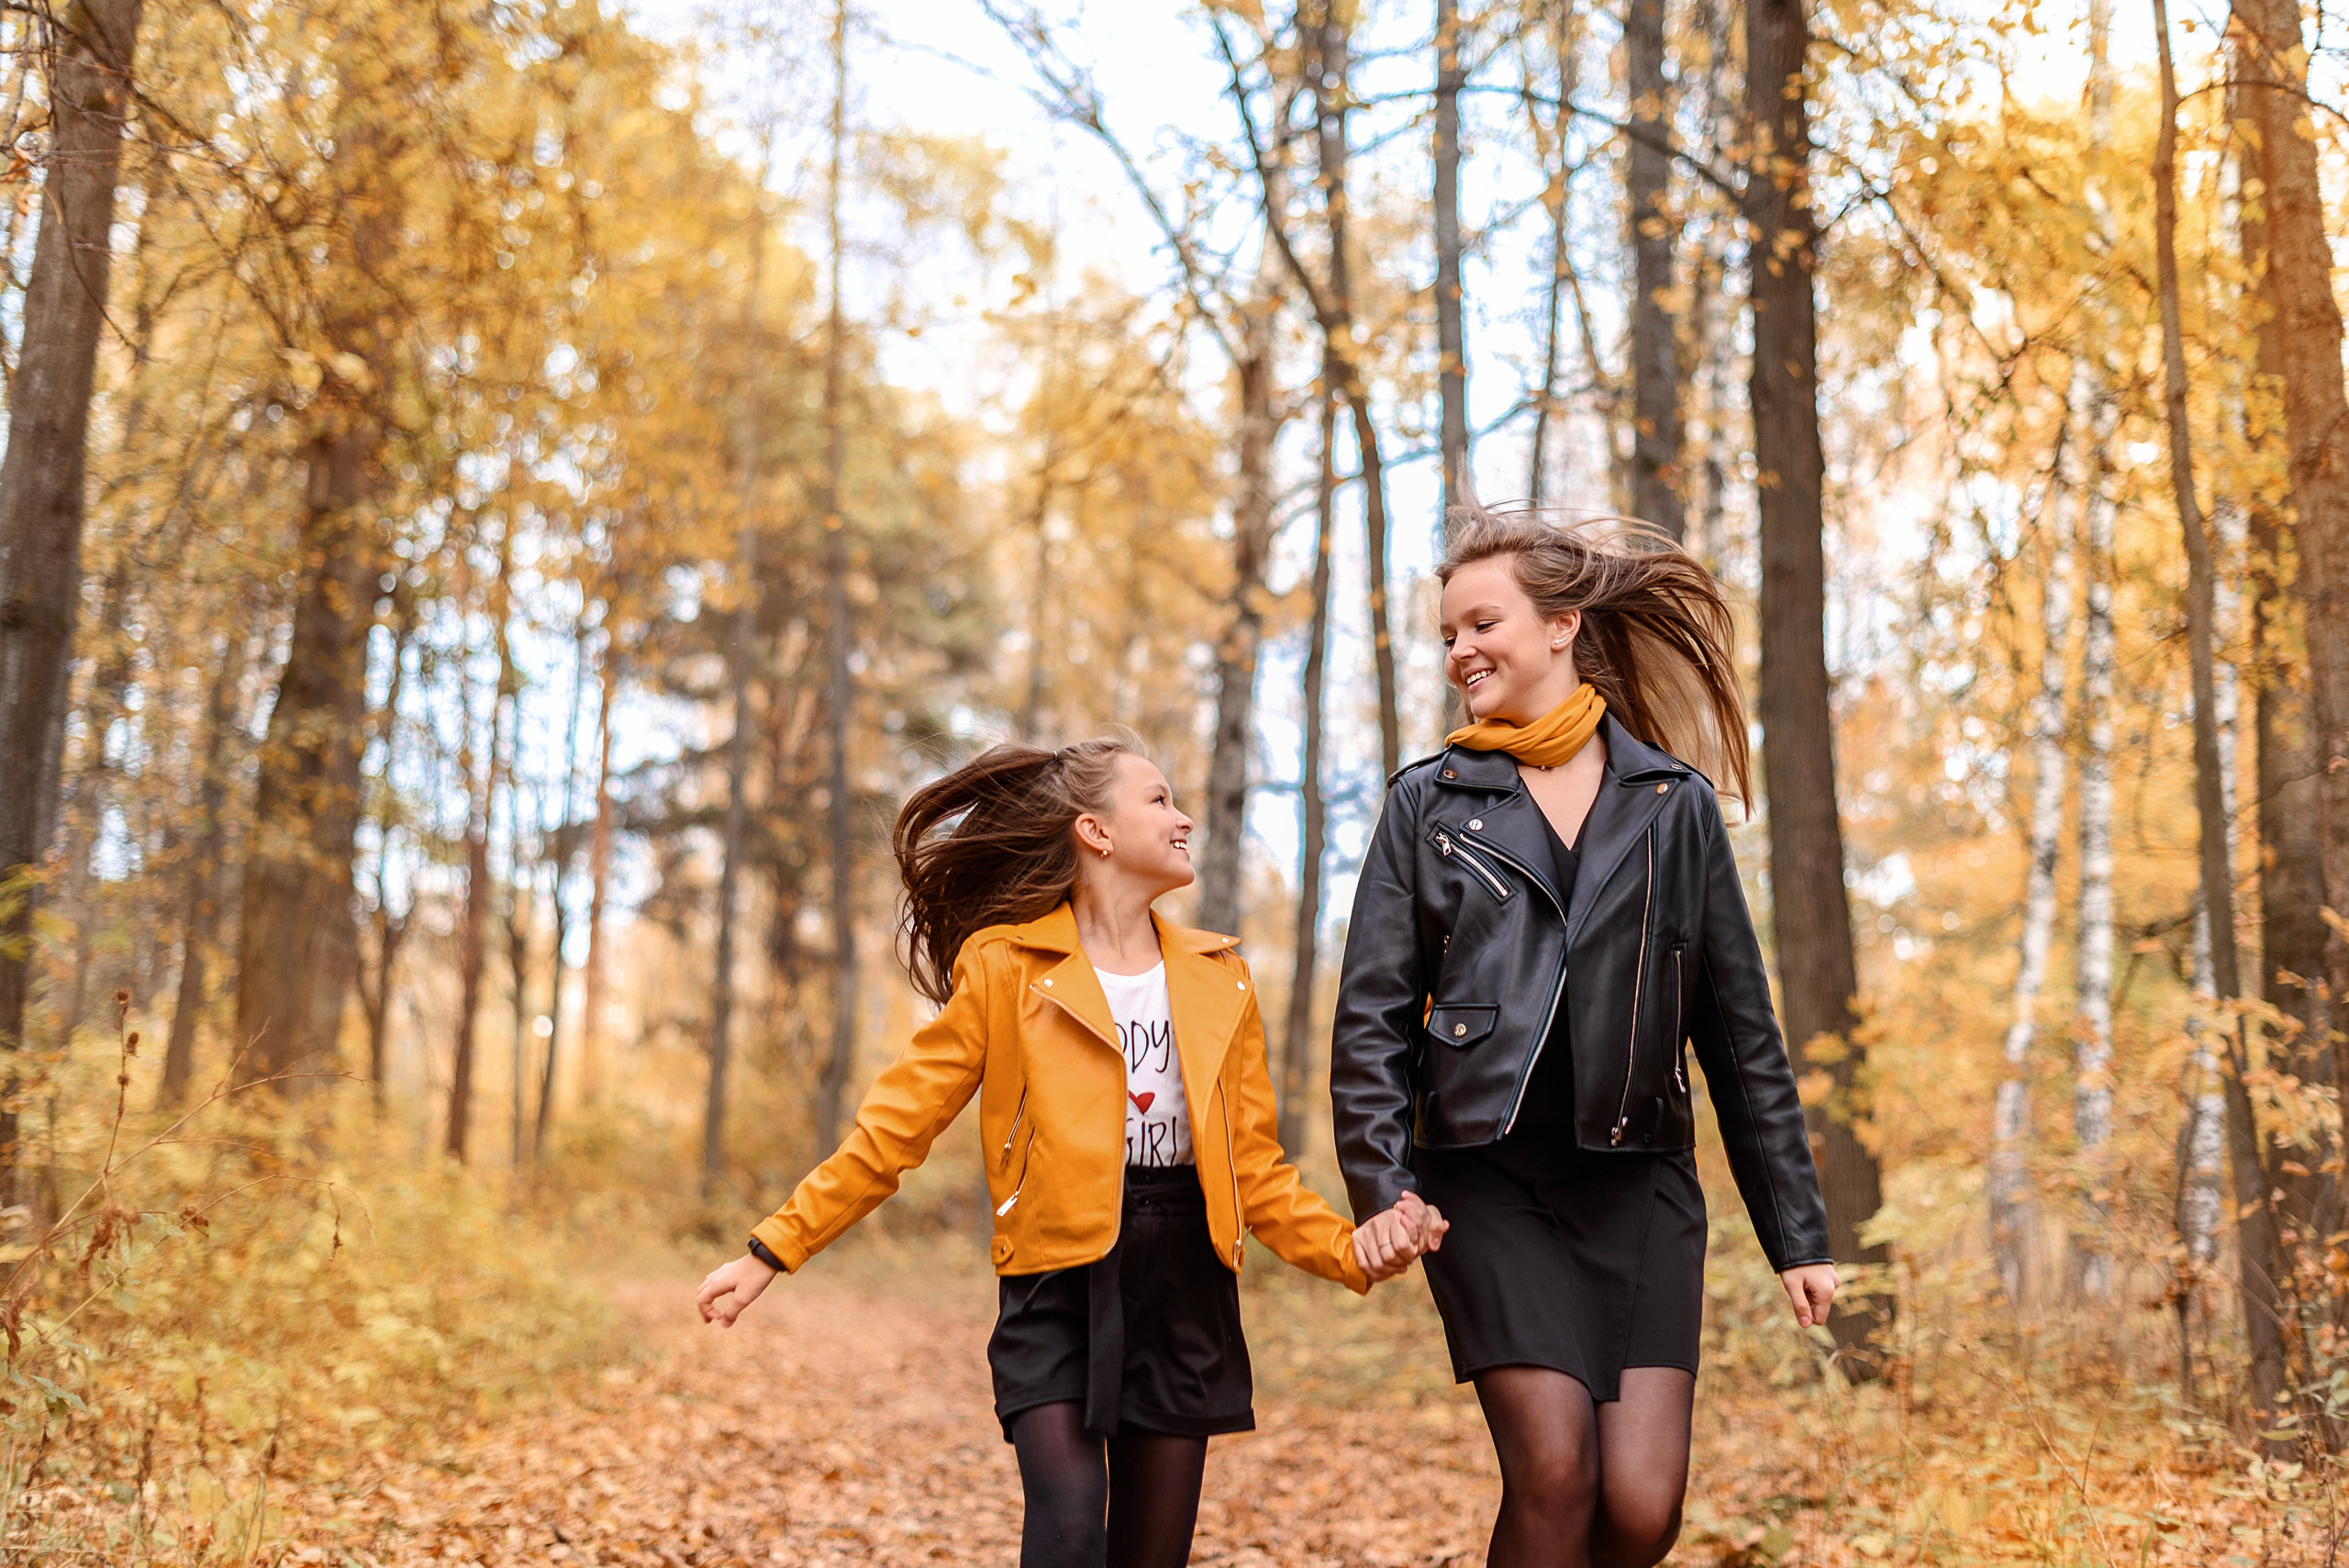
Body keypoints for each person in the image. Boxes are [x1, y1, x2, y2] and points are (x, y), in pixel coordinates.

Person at [696, 736, 1445, 1568]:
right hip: (1054, 1278)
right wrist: (772, 1249)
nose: (1183, 818)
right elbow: (892, 1131)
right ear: (1096, 830)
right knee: (1068, 1529)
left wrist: (1351, 1249)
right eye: (1159, 799)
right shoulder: (1005, 968)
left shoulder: (1220, 977)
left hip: (1184, 1284)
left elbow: (1256, 1175)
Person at [1330, 508, 1841, 1568]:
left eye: (1483, 623)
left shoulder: (1672, 804)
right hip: (1485, 1181)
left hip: (1640, 1188)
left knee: (1641, 1509)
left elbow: (1740, 1035)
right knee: (1555, 1471)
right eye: (1448, 634)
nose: (1460, 649)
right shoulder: (1426, 804)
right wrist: (1382, 1186)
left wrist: (1795, 1232)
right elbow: (1371, 1018)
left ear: (1561, 624)